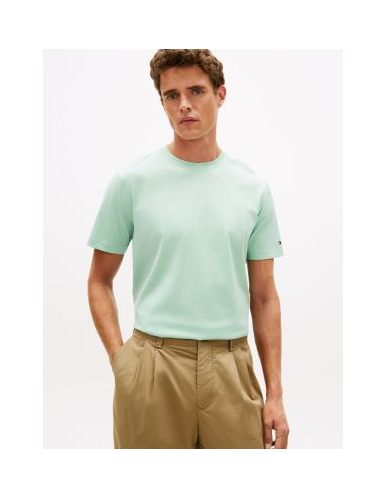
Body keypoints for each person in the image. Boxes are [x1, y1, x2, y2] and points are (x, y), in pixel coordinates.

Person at [87, 49, 289, 449]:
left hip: (231, 366)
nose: (184, 105)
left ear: (221, 94)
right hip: (153, 365)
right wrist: (121, 361)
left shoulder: (253, 189)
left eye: (196, 91)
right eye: (171, 95)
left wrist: (276, 395)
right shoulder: (132, 182)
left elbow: (265, 297)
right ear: (162, 102)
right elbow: (98, 280)